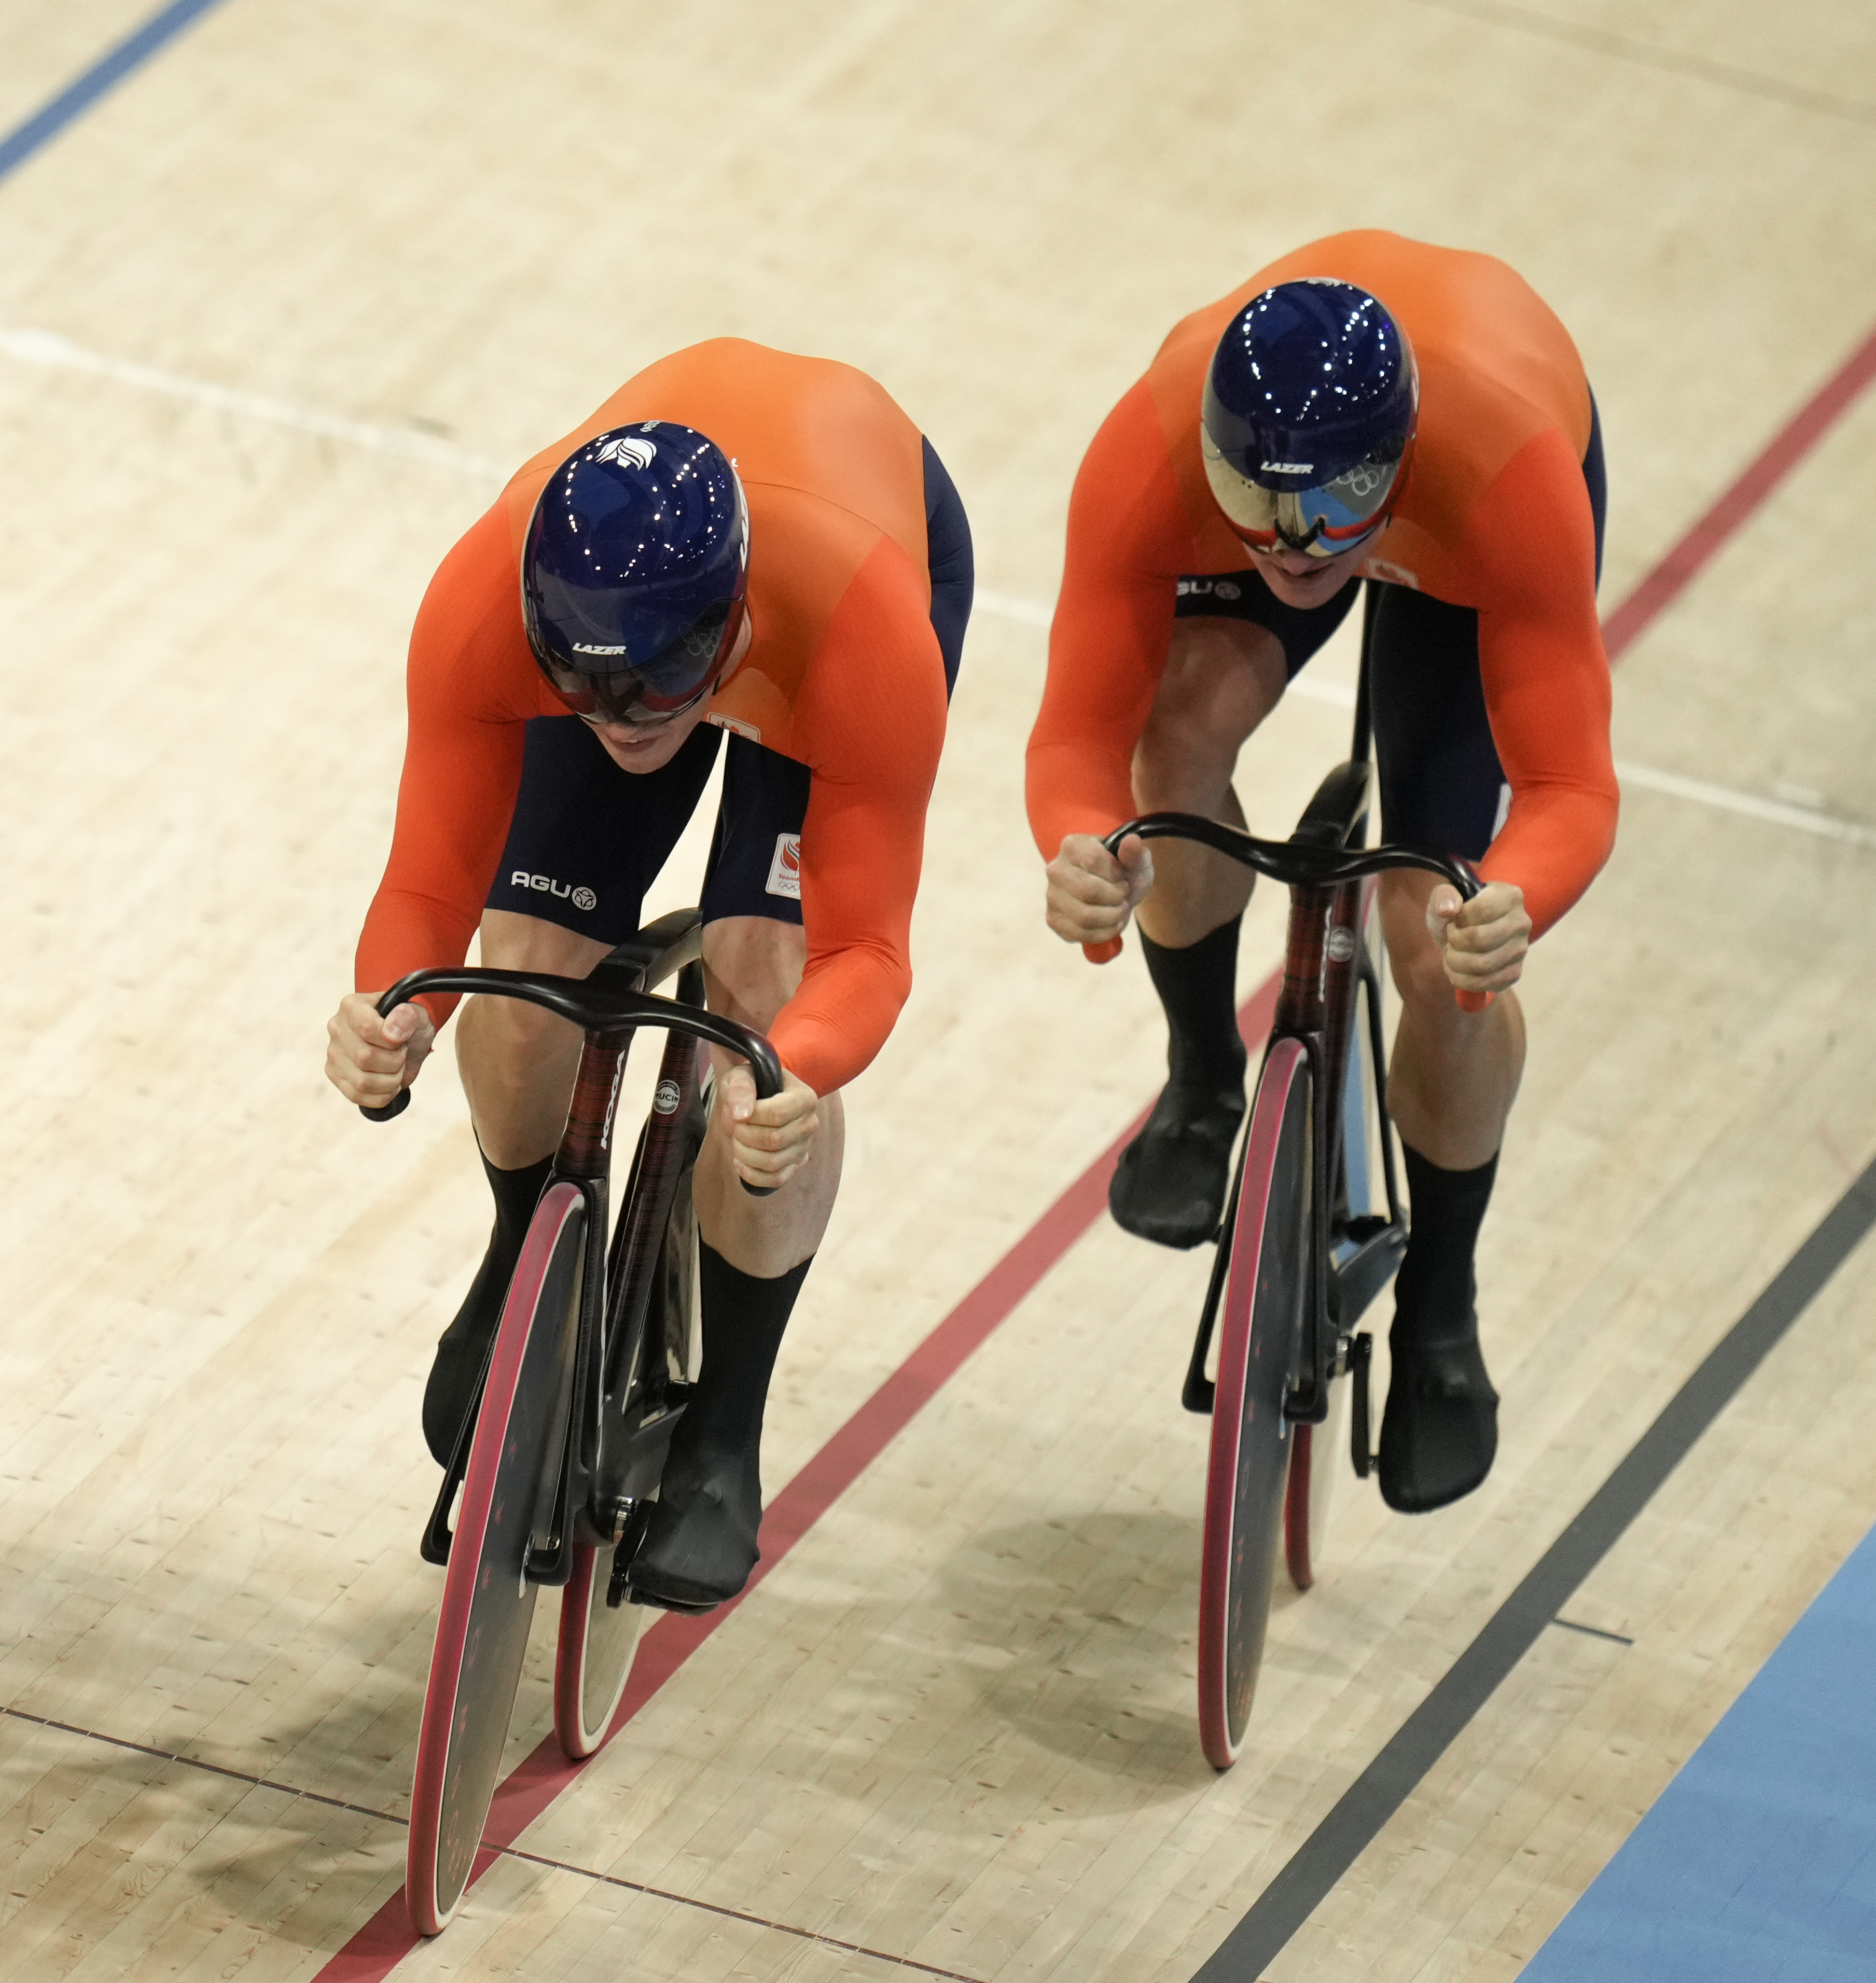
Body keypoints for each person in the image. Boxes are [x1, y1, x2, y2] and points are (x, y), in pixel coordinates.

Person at [327, 338, 968, 1610]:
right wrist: (388, 1009)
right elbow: (425, 892)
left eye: (658, 686)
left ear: (724, 620)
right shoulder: (485, 598)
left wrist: (801, 1071)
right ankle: (524, 1256)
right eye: (583, 686)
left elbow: (866, 952)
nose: (622, 719)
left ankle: (724, 1425)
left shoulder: (860, 627)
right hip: (669, 604)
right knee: (518, 976)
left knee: (764, 992)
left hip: (834, 582)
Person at [1026, 232, 1615, 1511]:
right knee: (1168, 745)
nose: (1296, 547)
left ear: (1391, 463)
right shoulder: (1154, 453)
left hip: (1461, 536)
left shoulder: (1502, 474)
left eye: (1337, 507)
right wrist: (1077, 848)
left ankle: (1441, 1315)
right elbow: (1079, 733)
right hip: (1366, 492)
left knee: (1434, 934)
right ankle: (1199, 1079)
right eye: (1259, 508)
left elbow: (1571, 789)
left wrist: (1515, 898)